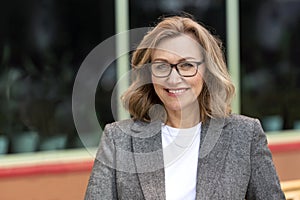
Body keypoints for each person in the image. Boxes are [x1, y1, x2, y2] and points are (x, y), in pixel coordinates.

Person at [85, 15, 285, 199]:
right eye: (162, 66)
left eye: (187, 65)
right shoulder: (117, 139)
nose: (174, 78)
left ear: (208, 70)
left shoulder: (245, 135)